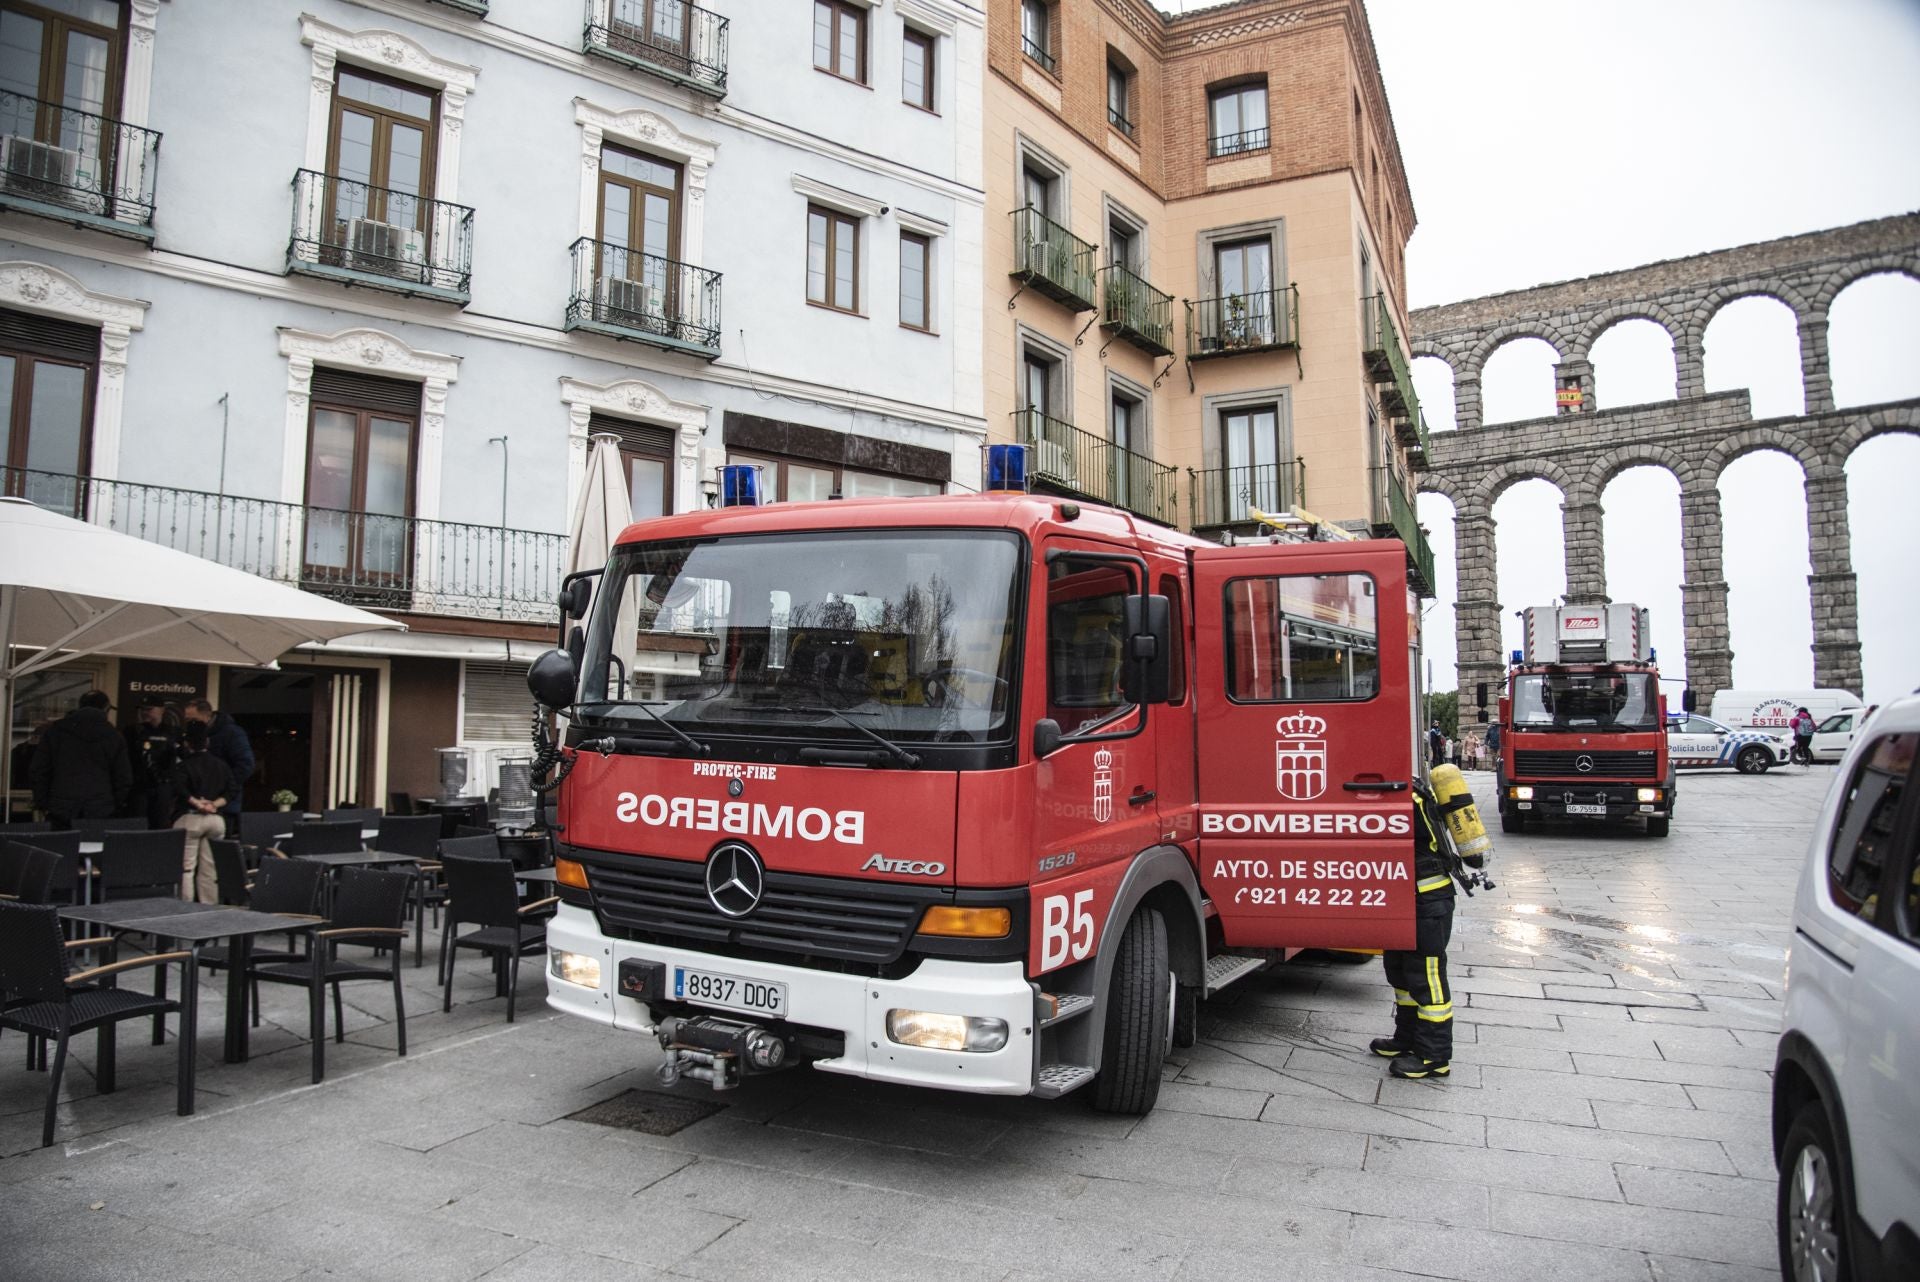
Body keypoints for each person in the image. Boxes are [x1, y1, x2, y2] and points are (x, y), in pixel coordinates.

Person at [1369, 786, 1456, 1079]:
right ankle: (1407, 1038)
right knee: (1400, 971)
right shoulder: (1406, 795)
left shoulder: (1409, 799)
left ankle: (1434, 1056)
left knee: (1426, 977)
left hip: (1427, 901)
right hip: (1406, 899)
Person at [30, 690, 132, 829]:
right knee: (94, 850)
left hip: (61, 808)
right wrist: (114, 805)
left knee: (59, 849)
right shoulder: (113, 736)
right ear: (106, 709)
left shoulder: (56, 731)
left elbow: (39, 770)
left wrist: (43, 803)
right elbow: (123, 778)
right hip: (100, 809)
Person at [169, 720, 236, 903]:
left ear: (187, 743)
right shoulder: (221, 765)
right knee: (210, 868)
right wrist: (213, 805)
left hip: (190, 818)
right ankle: (208, 907)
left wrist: (197, 803)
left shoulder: (183, 766)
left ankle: (185, 907)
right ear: (207, 742)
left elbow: (179, 789)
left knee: (186, 868)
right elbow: (232, 790)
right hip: (215, 820)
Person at [183, 698, 254, 834]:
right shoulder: (192, 735)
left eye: (193, 719)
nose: (190, 724)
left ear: (207, 716)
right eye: (187, 720)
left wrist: (223, 789)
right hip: (196, 804)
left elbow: (246, 765)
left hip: (223, 805)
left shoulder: (232, 733)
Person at [124, 698, 182, 829]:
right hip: (140, 787)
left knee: (161, 824)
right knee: (137, 825)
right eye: (143, 709)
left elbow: (178, 760)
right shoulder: (133, 731)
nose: (145, 713)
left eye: (149, 709)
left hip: (163, 787)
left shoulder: (173, 732)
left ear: (161, 710)